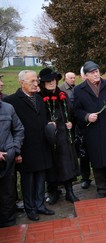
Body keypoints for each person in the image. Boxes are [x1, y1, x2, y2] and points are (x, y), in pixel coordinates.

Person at [4, 70, 55, 221]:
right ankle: (30, 208)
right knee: (28, 180)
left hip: (42, 147)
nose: (36, 84)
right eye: (31, 81)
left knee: (41, 177)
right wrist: (17, 151)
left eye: (36, 81)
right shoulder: (12, 101)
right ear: (21, 83)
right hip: (25, 149)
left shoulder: (39, 98)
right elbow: (12, 129)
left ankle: (40, 205)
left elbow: (44, 118)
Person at [73, 61, 106, 198]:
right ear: (86, 75)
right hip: (92, 131)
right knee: (96, 160)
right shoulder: (78, 90)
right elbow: (76, 111)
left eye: (97, 71)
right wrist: (87, 116)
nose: (96, 74)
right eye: (92, 72)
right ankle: (101, 188)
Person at [38, 68, 80, 204]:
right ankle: (53, 192)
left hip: (64, 136)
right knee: (52, 165)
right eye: (48, 81)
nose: (51, 83)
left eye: (53, 80)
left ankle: (70, 192)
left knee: (67, 163)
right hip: (48, 137)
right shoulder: (39, 97)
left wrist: (70, 123)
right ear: (43, 83)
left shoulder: (62, 94)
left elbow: (71, 112)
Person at [0, 74, 24, 227]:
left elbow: (19, 129)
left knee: (8, 191)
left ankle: (9, 222)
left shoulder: (7, 107)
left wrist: (14, 149)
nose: (2, 84)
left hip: (7, 159)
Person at [75, 67, 92, 189]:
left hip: (98, 126)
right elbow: (74, 109)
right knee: (84, 155)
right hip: (83, 128)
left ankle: (105, 177)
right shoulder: (78, 90)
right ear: (83, 76)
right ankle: (85, 178)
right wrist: (86, 116)